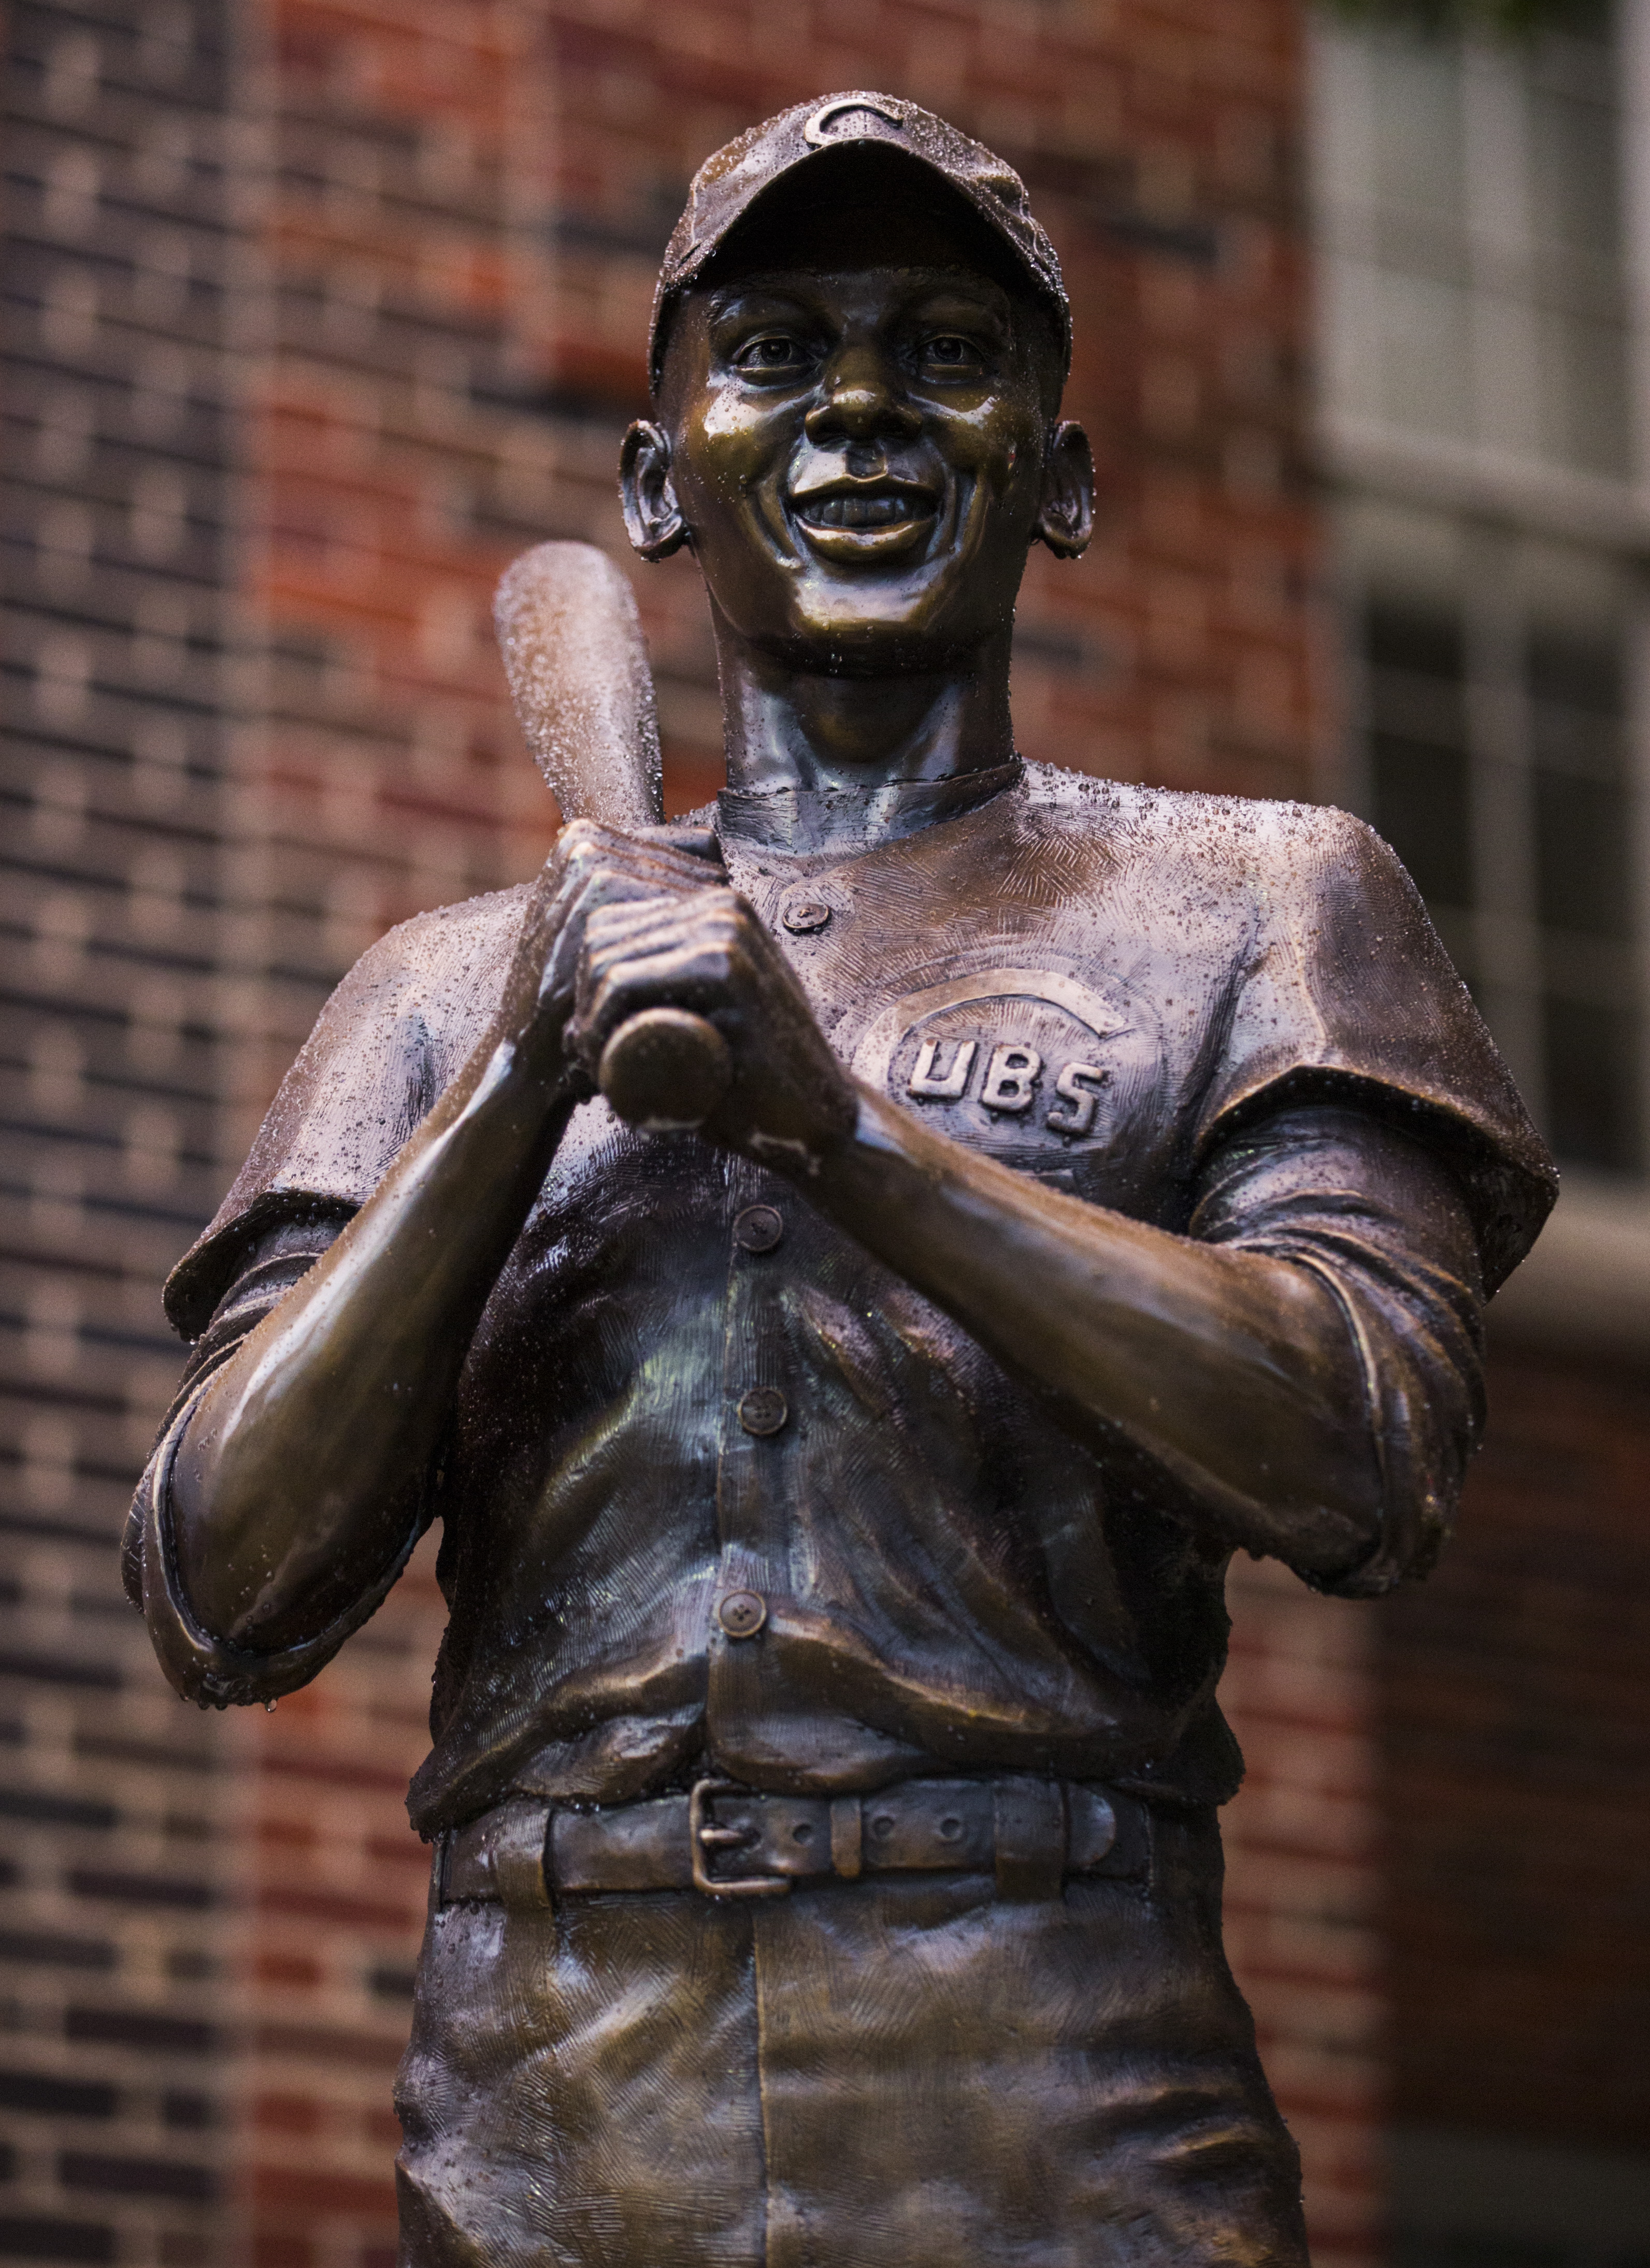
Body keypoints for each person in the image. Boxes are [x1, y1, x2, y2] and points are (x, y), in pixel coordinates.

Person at [127, 93, 1554, 2267]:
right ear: (656, 475)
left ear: (1057, 479)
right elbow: (220, 1587)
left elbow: (1361, 1453)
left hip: (1047, 2077)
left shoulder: (1258, 906)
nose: (859, 412)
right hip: (549, 2109)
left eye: (944, 354)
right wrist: (522, 1069)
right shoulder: (434, 998)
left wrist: (844, 1136)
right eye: (777, 352)